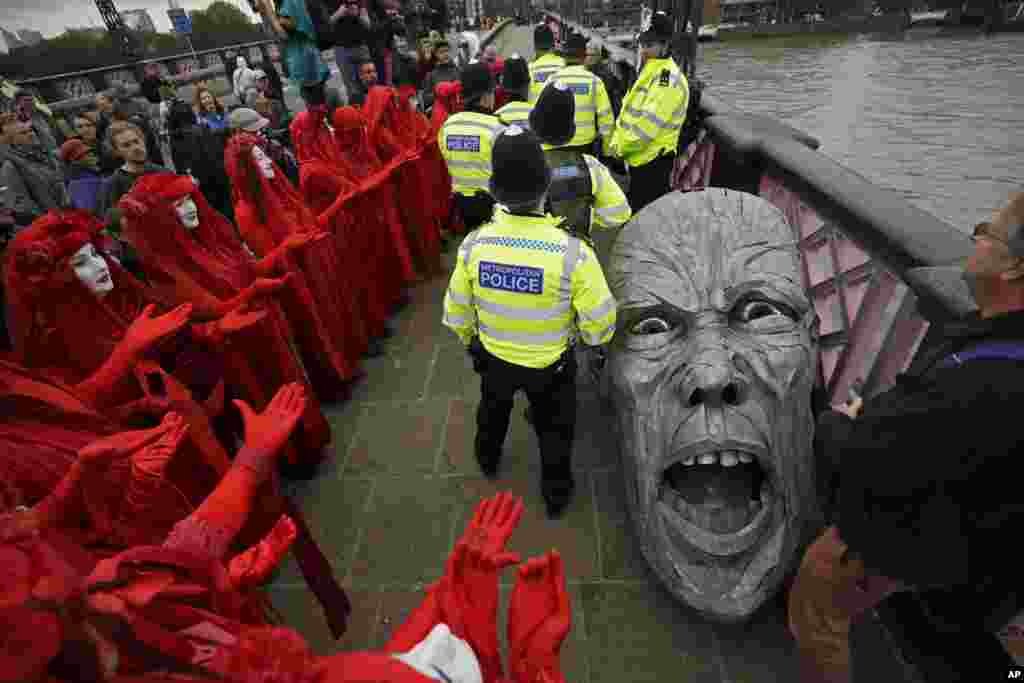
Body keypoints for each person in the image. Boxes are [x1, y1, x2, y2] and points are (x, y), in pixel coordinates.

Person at [788, 191, 1024, 683]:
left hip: (928, 542)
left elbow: (864, 461)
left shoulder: (979, 382)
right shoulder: (996, 349)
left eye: (986, 231)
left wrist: (835, 422)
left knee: (816, 597)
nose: (974, 238)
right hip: (983, 552)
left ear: (1013, 269)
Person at [442, 126, 617, 518]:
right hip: (550, 369)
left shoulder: (473, 245)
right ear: (545, 188)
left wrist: (473, 340)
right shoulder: (574, 252)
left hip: (494, 361)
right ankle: (555, 494)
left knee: (492, 410)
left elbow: (455, 313)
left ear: (494, 190)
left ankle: (487, 457)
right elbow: (600, 326)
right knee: (555, 432)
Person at [116, 173, 333, 478]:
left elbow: (249, 270)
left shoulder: (208, 239)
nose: (190, 208)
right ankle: (291, 459)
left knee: (288, 387)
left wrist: (283, 250)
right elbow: (208, 310)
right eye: (178, 205)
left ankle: (307, 443)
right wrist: (254, 292)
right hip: (233, 355)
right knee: (264, 403)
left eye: (189, 199)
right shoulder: (164, 269)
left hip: (260, 329)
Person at [225, 131, 365, 398]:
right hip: (293, 279)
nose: (267, 161)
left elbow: (307, 223)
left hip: (312, 266)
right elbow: (267, 257)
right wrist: (290, 246)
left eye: (264, 154)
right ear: (245, 170)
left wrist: (332, 210)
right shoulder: (246, 210)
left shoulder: (278, 190)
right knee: (312, 331)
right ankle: (331, 382)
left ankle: (343, 367)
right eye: (258, 158)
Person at [609, 12, 689, 212]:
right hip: (637, 161)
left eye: (650, 45)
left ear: (665, 45)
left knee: (644, 222)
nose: (644, 50)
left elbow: (645, 129)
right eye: (642, 43)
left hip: (651, 166)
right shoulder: (649, 70)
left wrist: (618, 148)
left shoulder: (667, 80)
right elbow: (629, 114)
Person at [529, 81, 631, 237]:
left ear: (534, 125)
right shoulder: (589, 165)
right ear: (571, 130)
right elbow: (620, 213)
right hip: (575, 254)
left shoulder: (522, 161)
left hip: (533, 253)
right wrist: (586, 212)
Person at [438, 63, 504, 233]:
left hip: (461, 212)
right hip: (494, 213)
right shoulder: (497, 128)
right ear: (486, 94)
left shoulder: (447, 126)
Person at [546, 33, 614, 157]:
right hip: (585, 146)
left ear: (564, 56)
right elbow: (606, 119)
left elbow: (542, 115)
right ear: (584, 56)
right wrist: (607, 149)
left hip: (558, 146)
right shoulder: (594, 81)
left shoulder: (552, 80)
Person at [257, 0, 332, 107]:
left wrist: (268, 9)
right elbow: (274, 35)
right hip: (304, 62)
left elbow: (284, 34)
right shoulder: (284, 5)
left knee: (317, 107)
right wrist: (264, 12)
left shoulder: (290, 3)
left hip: (307, 64)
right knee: (317, 104)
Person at [0, 113, 68, 227]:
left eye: (31, 130)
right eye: (23, 133)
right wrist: (48, 222)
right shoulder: (10, 167)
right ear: (12, 140)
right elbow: (21, 205)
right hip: (51, 225)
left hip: (69, 216)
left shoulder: (48, 156)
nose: (31, 134)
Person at [59, 139, 106, 213]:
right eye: (85, 154)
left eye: (89, 152)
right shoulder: (80, 184)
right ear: (75, 161)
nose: (92, 155)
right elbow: (89, 213)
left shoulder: (91, 174)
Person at [527, 24, 566, 104]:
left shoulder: (530, 68)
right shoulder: (564, 65)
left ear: (535, 47)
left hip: (537, 114)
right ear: (553, 45)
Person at [585, 44, 624, 118]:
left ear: (598, 56)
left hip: (603, 111)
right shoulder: (582, 71)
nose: (589, 57)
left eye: (592, 55)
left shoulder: (606, 73)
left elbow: (613, 96)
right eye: (587, 55)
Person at [421, 39, 459, 111]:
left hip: (457, 112)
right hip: (441, 113)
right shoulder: (431, 75)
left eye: (447, 51)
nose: (445, 54)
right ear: (436, 54)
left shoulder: (457, 70)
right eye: (441, 52)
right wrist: (437, 93)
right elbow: (426, 99)